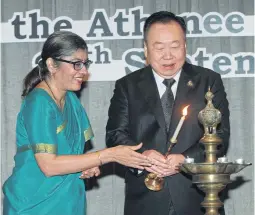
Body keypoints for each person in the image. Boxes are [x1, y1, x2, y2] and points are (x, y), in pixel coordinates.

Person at [2, 31, 152, 215]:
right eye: (76, 64)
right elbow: (49, 165)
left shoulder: (71, 100)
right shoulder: (40, 102)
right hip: (35, 204)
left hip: (69, 202)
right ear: (51, 64)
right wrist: (109, 155)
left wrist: (83, 166)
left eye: (85, 64)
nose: (84, 71)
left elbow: (69, 157)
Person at [106, 11, 230, 215]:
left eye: (175, 46)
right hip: (145, 200)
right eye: (159, 47)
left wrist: (185, 159)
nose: (168, 55)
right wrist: (142, 158)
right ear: (146, 49)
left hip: (198, 199)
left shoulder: (208, 81)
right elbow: (115, 135)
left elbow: (220, 135)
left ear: (185, 46)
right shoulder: (127, 86)